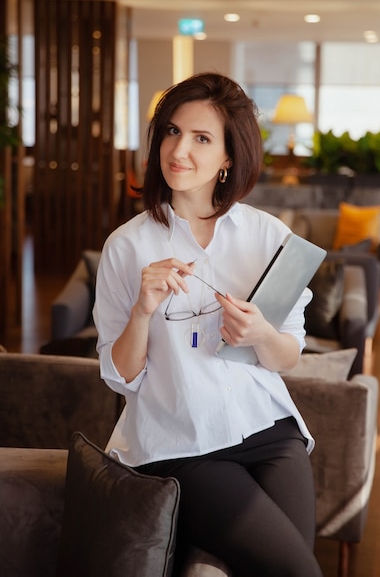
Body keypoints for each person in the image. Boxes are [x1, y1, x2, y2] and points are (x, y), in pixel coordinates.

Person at [93, 72, 323, 577]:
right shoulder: (127, 247)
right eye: (172, 132)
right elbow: (119, 376)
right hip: (182, 441)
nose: (179, 150)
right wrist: (142, 311)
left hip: (270, 430)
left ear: (227, 158)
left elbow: (288, 356)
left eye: (201, 139)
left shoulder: (269, 237)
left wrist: (261, 334)